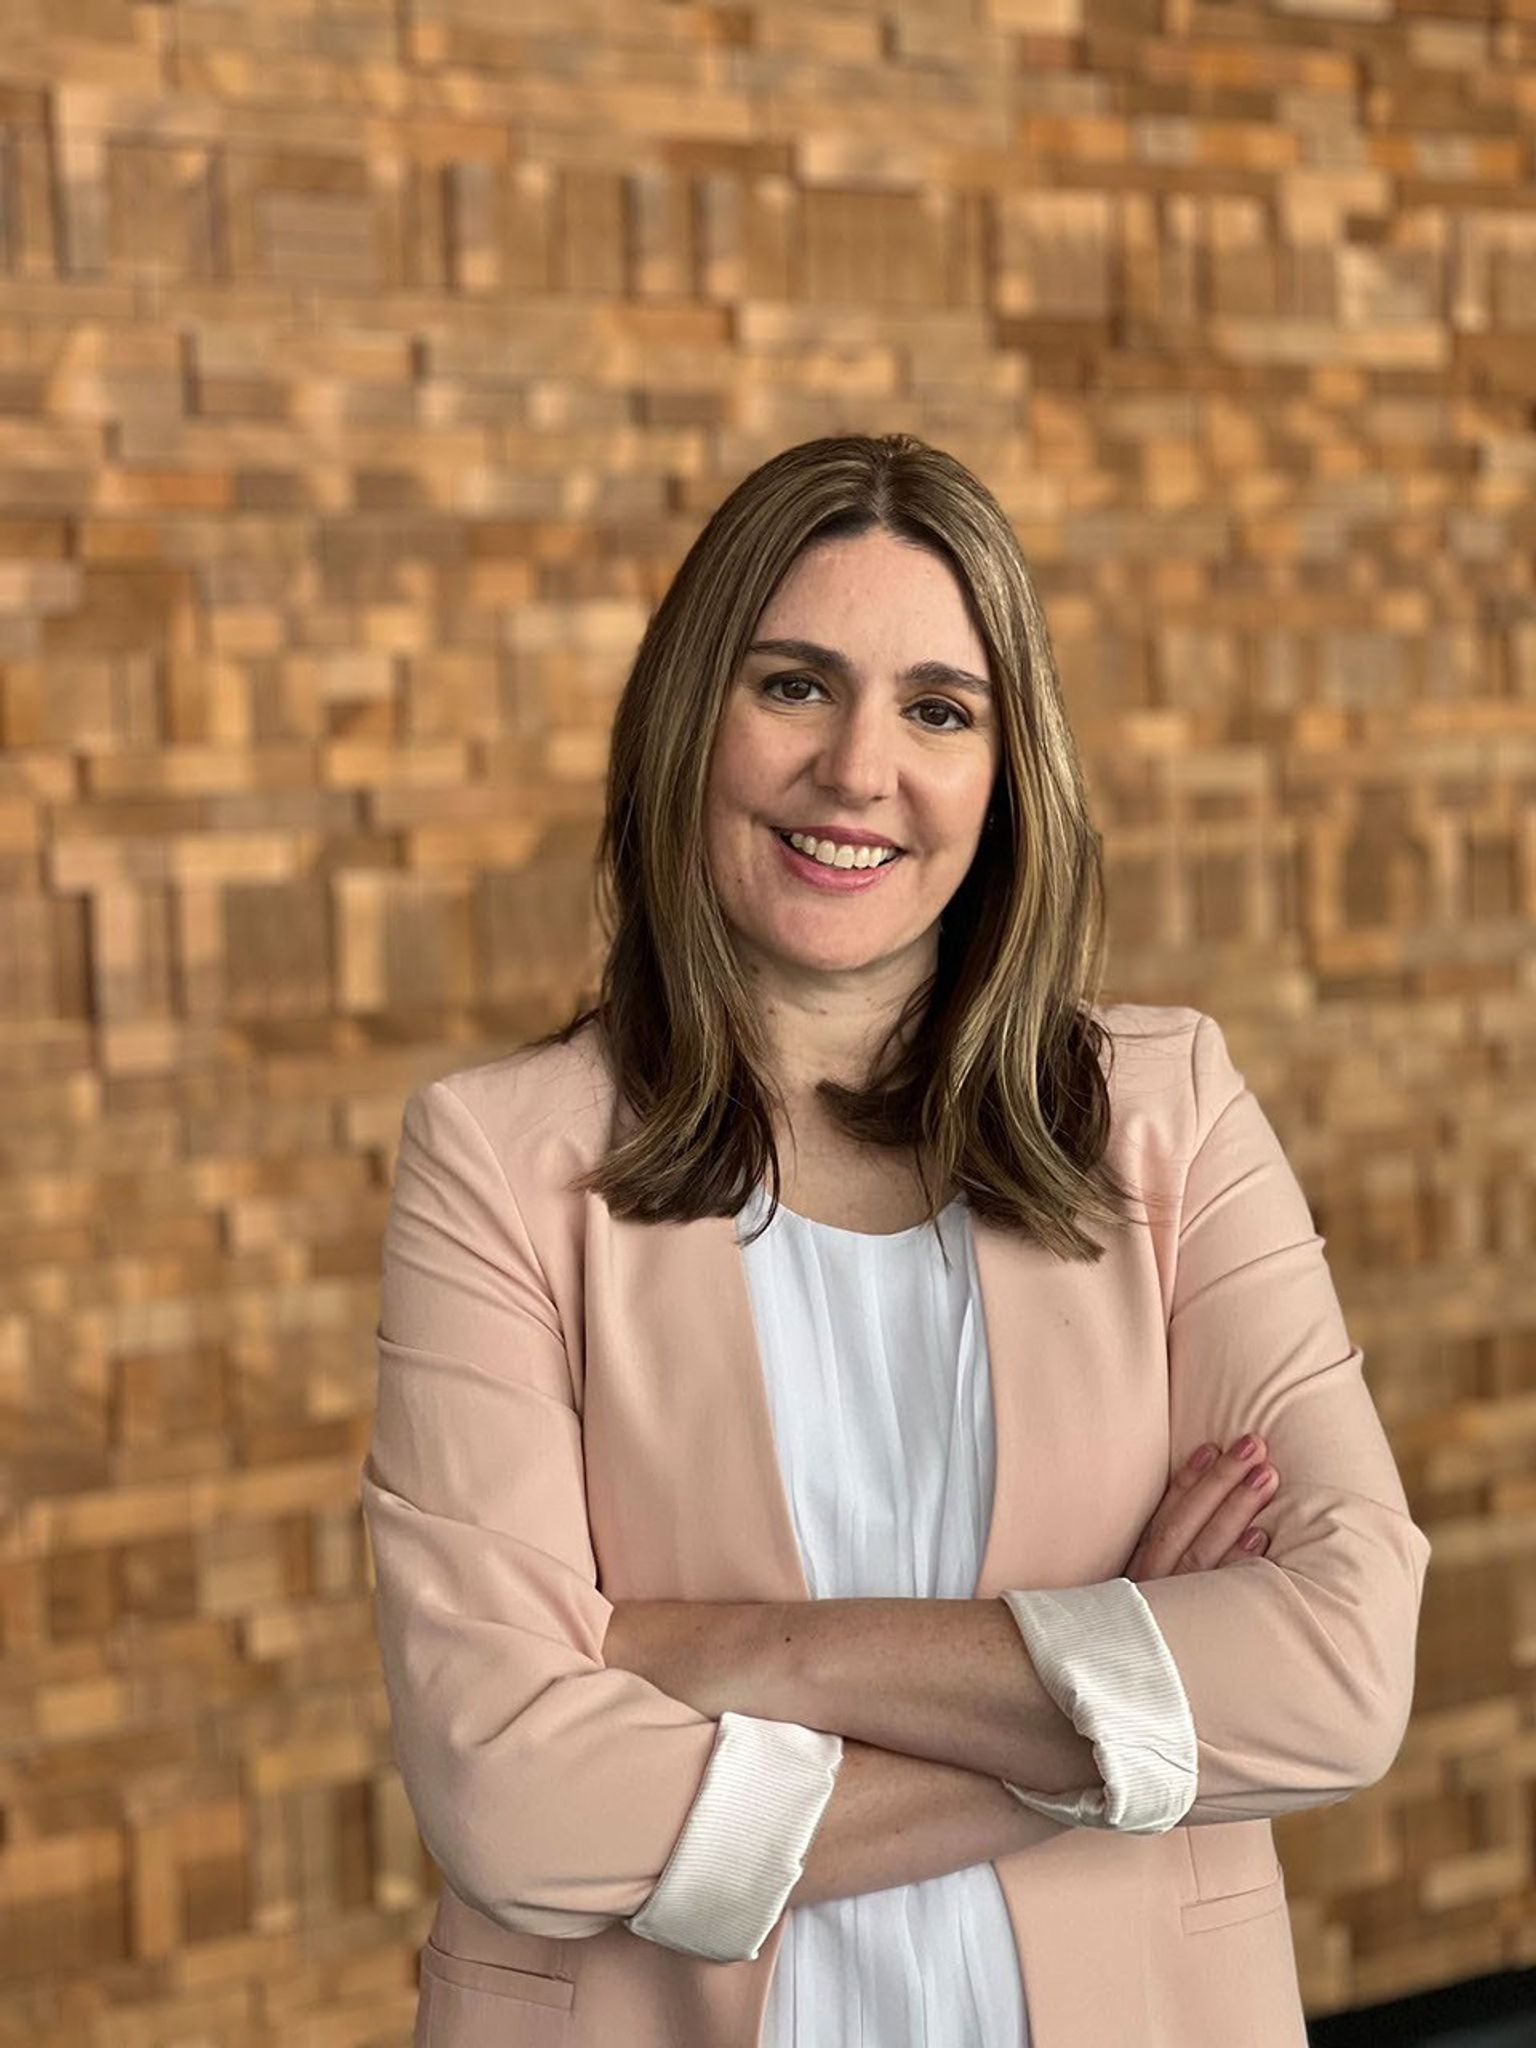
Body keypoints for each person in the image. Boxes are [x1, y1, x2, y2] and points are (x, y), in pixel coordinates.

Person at [360, 432, 1432, 2047]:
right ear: (688, 719)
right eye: (795, 686)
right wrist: (1125, 1699)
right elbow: (517, 1799)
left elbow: (1341, 1670)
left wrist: (747, 1656)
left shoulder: (1169, 1116)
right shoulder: (502, 1163)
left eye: (940, 709)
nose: (858, 772)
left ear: (1007, 774)